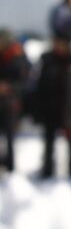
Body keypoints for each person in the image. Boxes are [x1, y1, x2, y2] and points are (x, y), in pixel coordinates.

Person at [34, 34, 71, 179]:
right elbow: (39, 86)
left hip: (70, 110)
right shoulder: (47, 59)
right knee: (49, 144)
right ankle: (47, 172)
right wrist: (37, 111)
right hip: (51, 108)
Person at [0, 29, 31, 173]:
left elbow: (26, 82)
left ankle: (10, 167)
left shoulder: (18, 56)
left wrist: (9, 87)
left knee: (10, 136)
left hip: (12, 103)